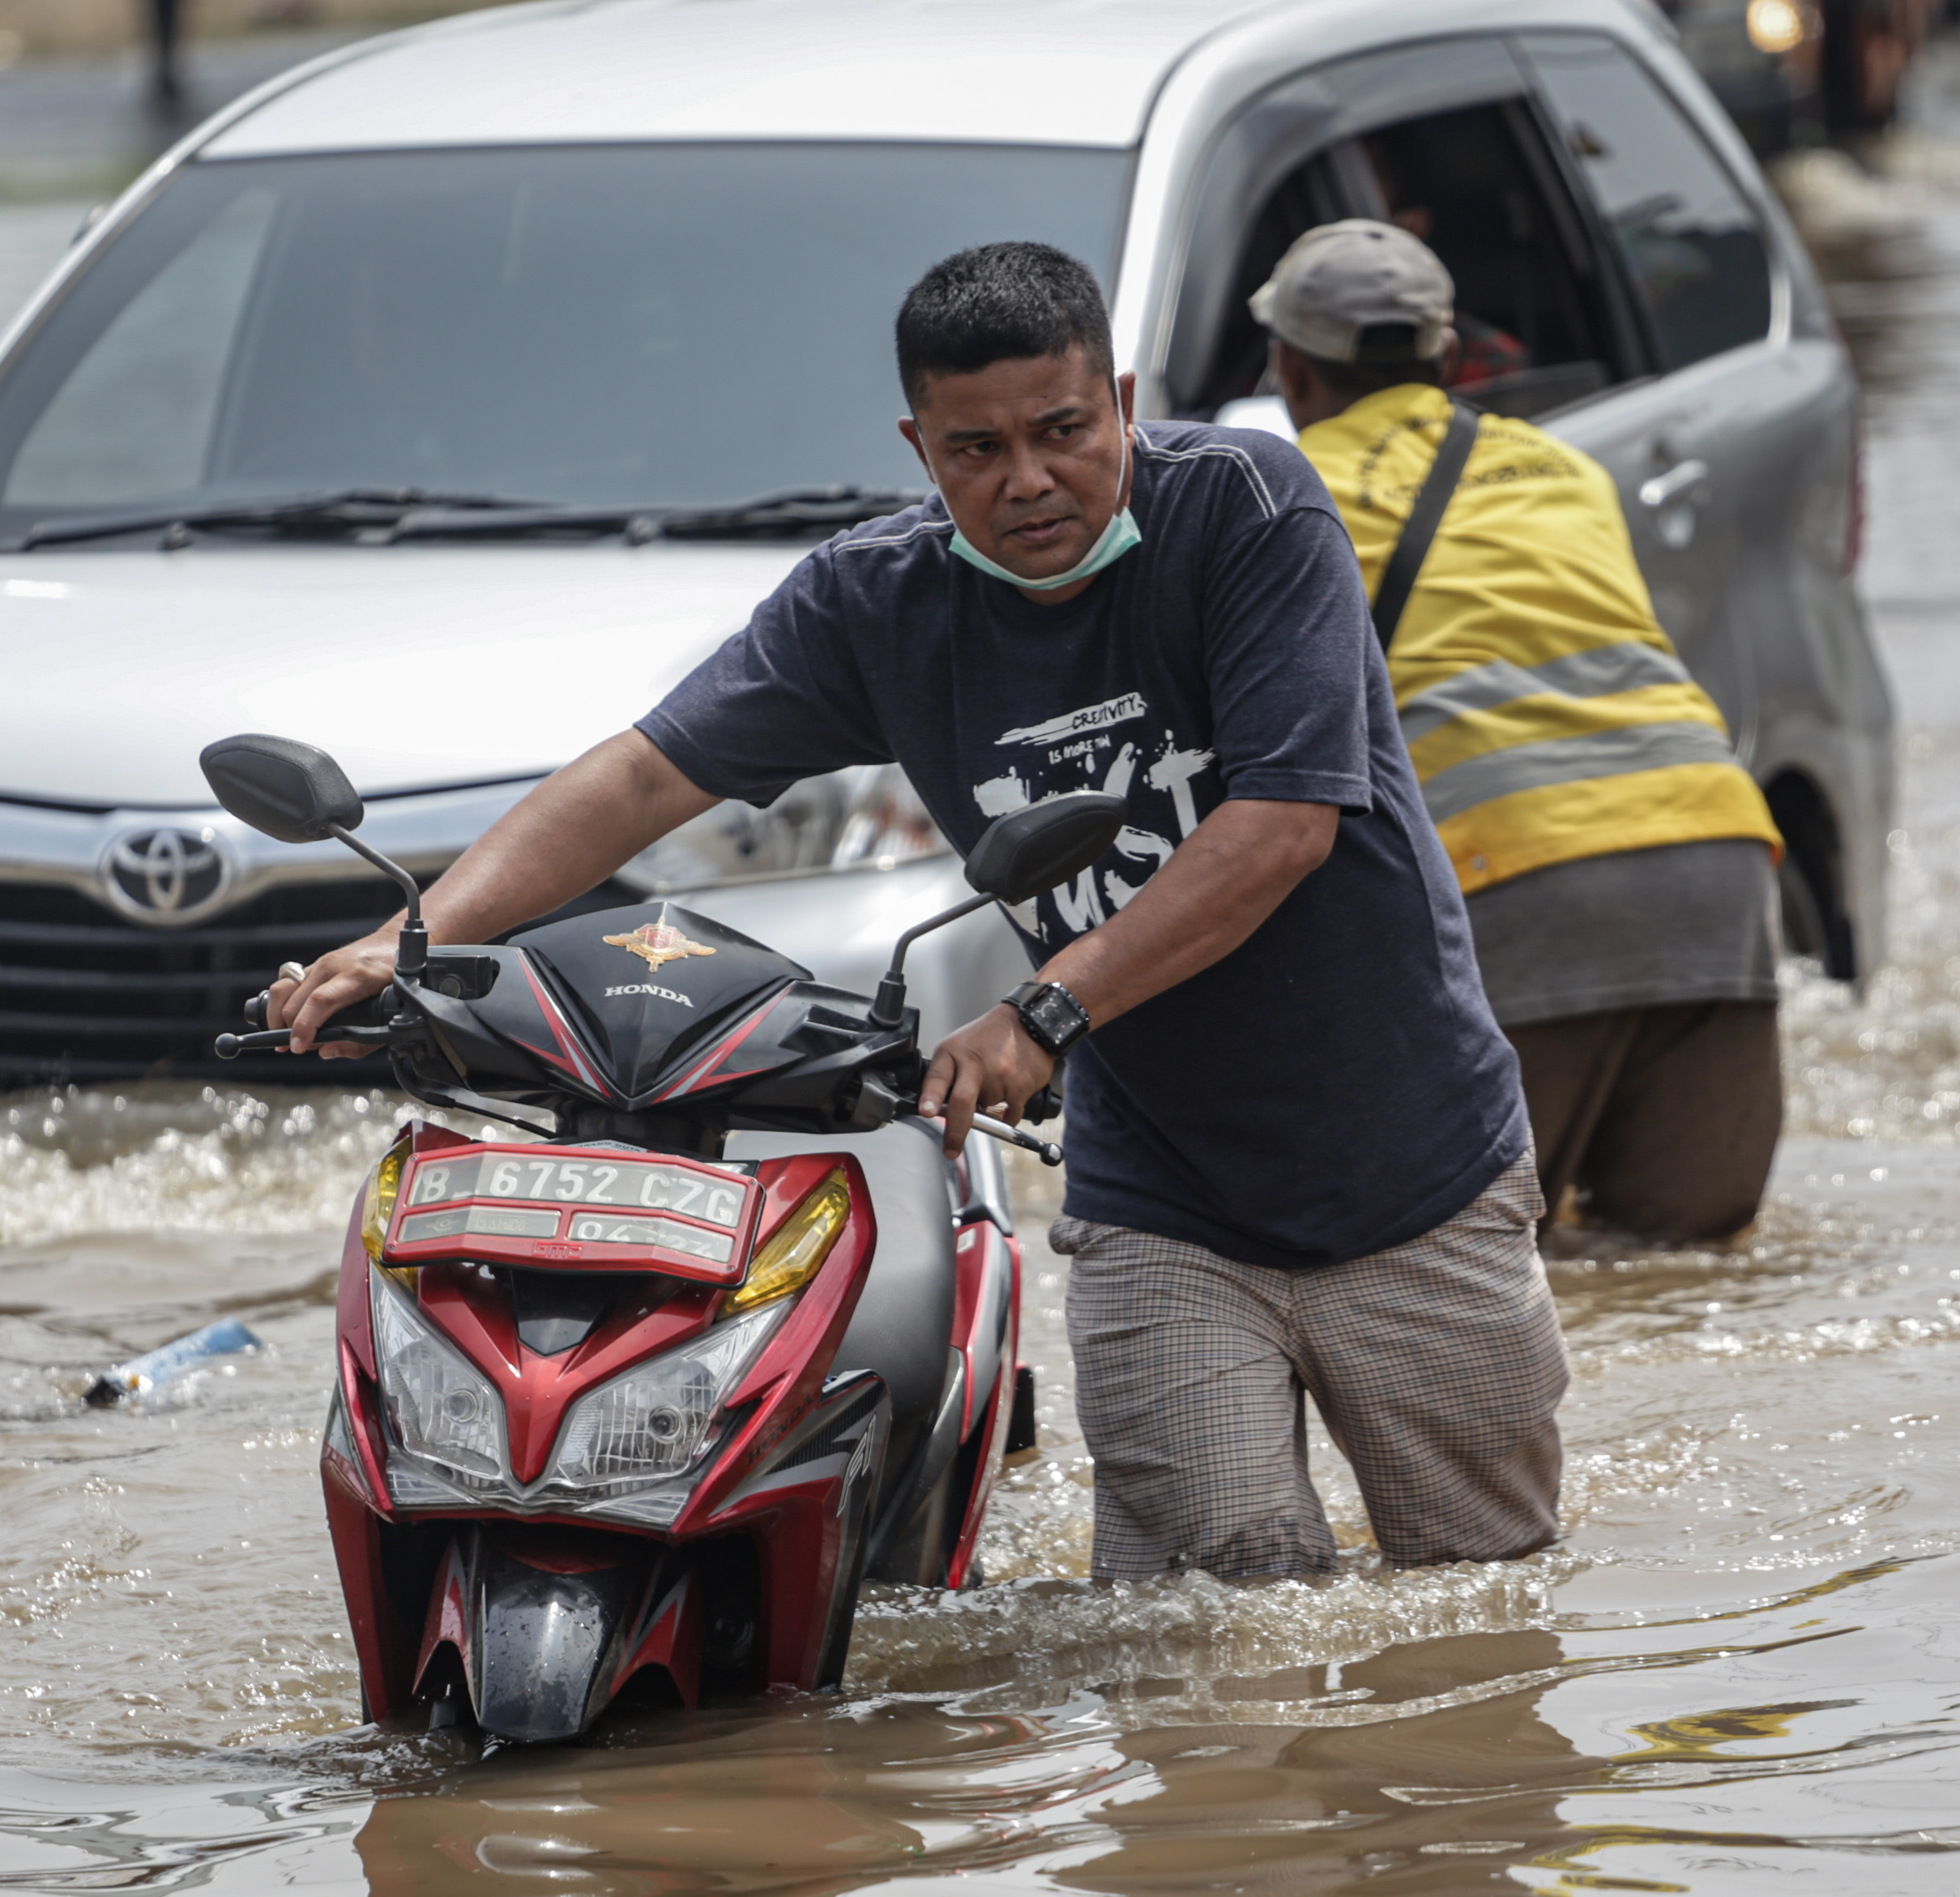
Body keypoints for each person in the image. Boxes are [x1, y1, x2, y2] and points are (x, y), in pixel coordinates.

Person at [271, 241, 1569, 1585]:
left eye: (1065, 432)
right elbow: (648, 772)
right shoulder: (877, 600)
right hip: (1165, 1199)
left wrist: (1047, 1007)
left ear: (1121, 398)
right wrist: (415, 941)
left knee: (1482, 1599)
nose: (1028, 482)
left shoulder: (1247, 508)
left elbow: (1285, 825)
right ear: (919, 446)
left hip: (1411, 1168)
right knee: (1207, 1630)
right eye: (978, 449)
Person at [1253, 220, 1788, 1250]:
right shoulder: (1562, 469)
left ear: (1287, 364)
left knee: (1471, 1265)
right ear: (1447, 355)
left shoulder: (1278, 496)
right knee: (1678, 1270)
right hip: (1716, 858)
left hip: (1516, 878)